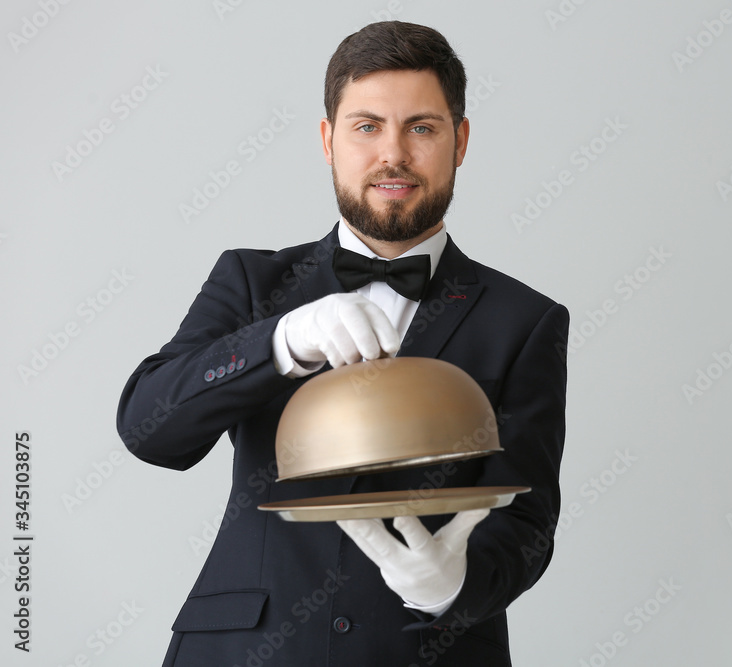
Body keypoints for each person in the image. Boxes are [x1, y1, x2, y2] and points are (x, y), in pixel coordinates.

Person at [117, 20, 569, 666]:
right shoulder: (251, 281)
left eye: (422, 127)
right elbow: (148, 427)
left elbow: (528, 523)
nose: (394, 154)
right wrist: (278, 341)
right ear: (328, 140)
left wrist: (452, 587)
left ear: (460, 141)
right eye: (366, 126)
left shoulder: (527, 319)